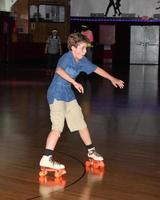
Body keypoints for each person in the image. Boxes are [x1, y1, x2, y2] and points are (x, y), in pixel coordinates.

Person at [39, 32, 124, 171]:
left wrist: (112, 79)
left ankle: (91, 151)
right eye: (82, 48)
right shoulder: (67, 57)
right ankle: (46, 158)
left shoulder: (82, 61)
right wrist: (74, 82)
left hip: (68, 94)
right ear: (73, 48)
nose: (85, 51)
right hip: (56, 93)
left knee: (81, 123)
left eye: (86, 48)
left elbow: (97, 69)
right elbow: (59, 71)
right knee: (57, 128)